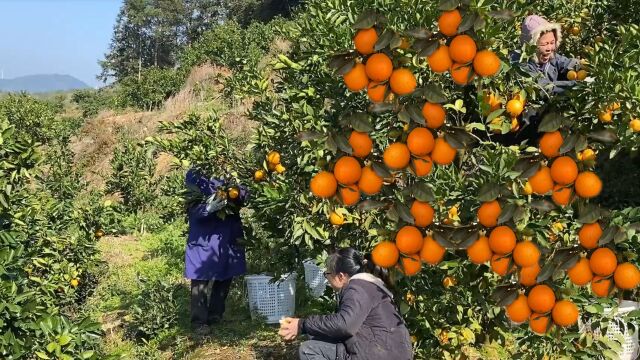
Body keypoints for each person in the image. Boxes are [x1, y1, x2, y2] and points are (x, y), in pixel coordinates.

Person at [278, 248, 413, 360]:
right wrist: (306, 329)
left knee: (309, 350)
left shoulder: (357, 288)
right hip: (386, 351)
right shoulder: (369, 286)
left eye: (327, 274)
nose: (327, 280)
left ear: (341, 276)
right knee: (315, 336)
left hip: (378, 354)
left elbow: (344, 325)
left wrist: (302, 324)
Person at [184, 168, 248, 335]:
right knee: (200, 276)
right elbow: (191, 204)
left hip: (227, 231)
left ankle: (215, 315)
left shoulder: (230, 170)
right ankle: (199, 321)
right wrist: (207, 208)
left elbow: (243, 193)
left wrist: (237, 194)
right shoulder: (195, 174)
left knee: (227, 272)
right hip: (205, 233)